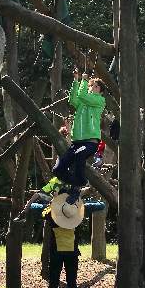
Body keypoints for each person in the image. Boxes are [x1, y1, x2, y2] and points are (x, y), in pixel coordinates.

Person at [41, 69, 105, 204]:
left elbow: (82, 96)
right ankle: (79, 181)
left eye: (96, 86)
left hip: (90, 143)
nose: (92, 87)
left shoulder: (99, 100)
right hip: (76, 142)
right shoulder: (83, 101)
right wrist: (76, 80)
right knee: (57, 170)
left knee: (80, 155)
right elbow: (73, 99)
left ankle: (75, 188)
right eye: (91, 86)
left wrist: (85, 80)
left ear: (100, 91)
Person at [42, 201, 83, 288]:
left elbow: (44, 213)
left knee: (53, 284)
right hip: (72, 253)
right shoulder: (75, 216)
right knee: (72, 284)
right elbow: (80, 208)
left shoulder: (52, 216)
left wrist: (53, 202)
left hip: (56, 254)